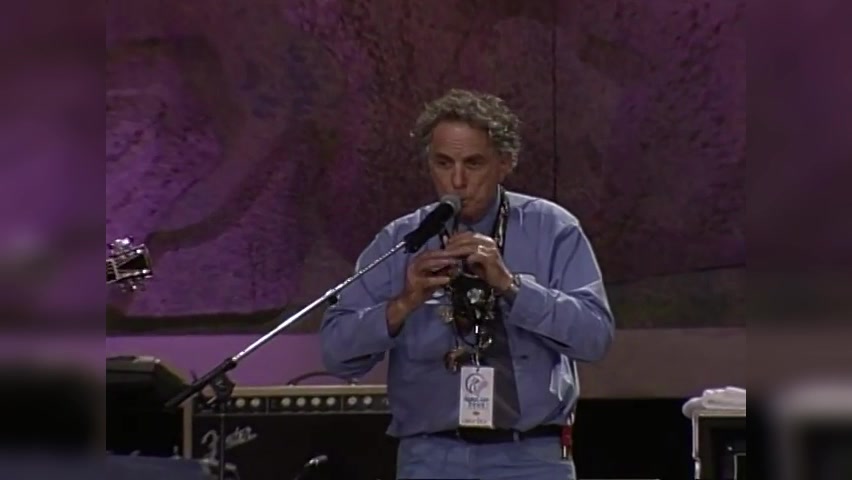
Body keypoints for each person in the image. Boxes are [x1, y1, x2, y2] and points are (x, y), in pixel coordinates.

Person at [320, 88, 615, 480]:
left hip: (531, 456)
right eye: (443, 163)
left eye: (473, 163)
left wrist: (511, 287)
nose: (457, 181)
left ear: (505, 163)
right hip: (430, 457)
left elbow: (595, 338)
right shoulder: (401, 241)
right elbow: (336, 353)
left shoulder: (552, 228)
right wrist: (403, 303)